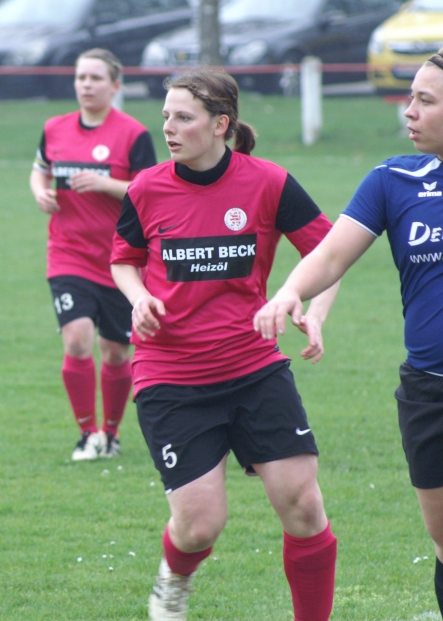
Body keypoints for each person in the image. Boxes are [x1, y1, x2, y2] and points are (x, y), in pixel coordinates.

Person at [255, 43, 443, 621]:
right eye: (410, 98)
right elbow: (331, 254)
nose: (408, 111)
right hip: (430, 392)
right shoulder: (392, 180)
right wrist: (291, 292)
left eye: (425, 100)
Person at [110, 68, 340, 620]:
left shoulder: (268, 182)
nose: (168, 127)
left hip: (254, 366)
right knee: (198, 526)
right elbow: (123, 261)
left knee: (303, 506)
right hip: (172, 375)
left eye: (183, 117)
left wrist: (313, 311)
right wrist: (139, 298)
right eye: (165, 116)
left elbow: (330, 252)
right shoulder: (146, 188)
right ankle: (173, 581)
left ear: (220, 124)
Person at [29, 48, 157, 461]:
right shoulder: (54, 128)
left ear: (115, 85)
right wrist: (40, 192)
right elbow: (40, 169)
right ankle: (87, 434)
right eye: (81, 77)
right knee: (78, 338)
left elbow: (151, 191)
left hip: (120, 261)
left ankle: (111, 434)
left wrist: (106, 184)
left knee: (116, 352)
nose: (86, 85)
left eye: (96, 78)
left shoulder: (133, 134)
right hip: (67, 254)